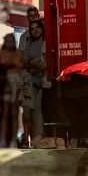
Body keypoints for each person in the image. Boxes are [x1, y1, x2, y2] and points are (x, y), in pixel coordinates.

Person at [20, 18, 51, 147]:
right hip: (30, 81)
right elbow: (23, 62)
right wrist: (36, 65)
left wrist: (33, 67)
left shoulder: (45, 42)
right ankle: (26, 140)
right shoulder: (29, 44)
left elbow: (45, 65)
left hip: (42, 81)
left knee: (38, 109)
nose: (35, 30)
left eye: (37, 27)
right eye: (32, 29)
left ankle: (36, 138)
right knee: (28, 110)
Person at [0, 32, 23, 148]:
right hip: (6, 82)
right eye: (8, 41)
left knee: (14, 112)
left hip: (16, 82)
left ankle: (13, 139)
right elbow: (0, 69)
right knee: (5, 113)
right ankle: (3, 139)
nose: (10, 43)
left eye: (12, 41)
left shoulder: (18, 54)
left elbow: (20, 69)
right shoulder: (1, 53)